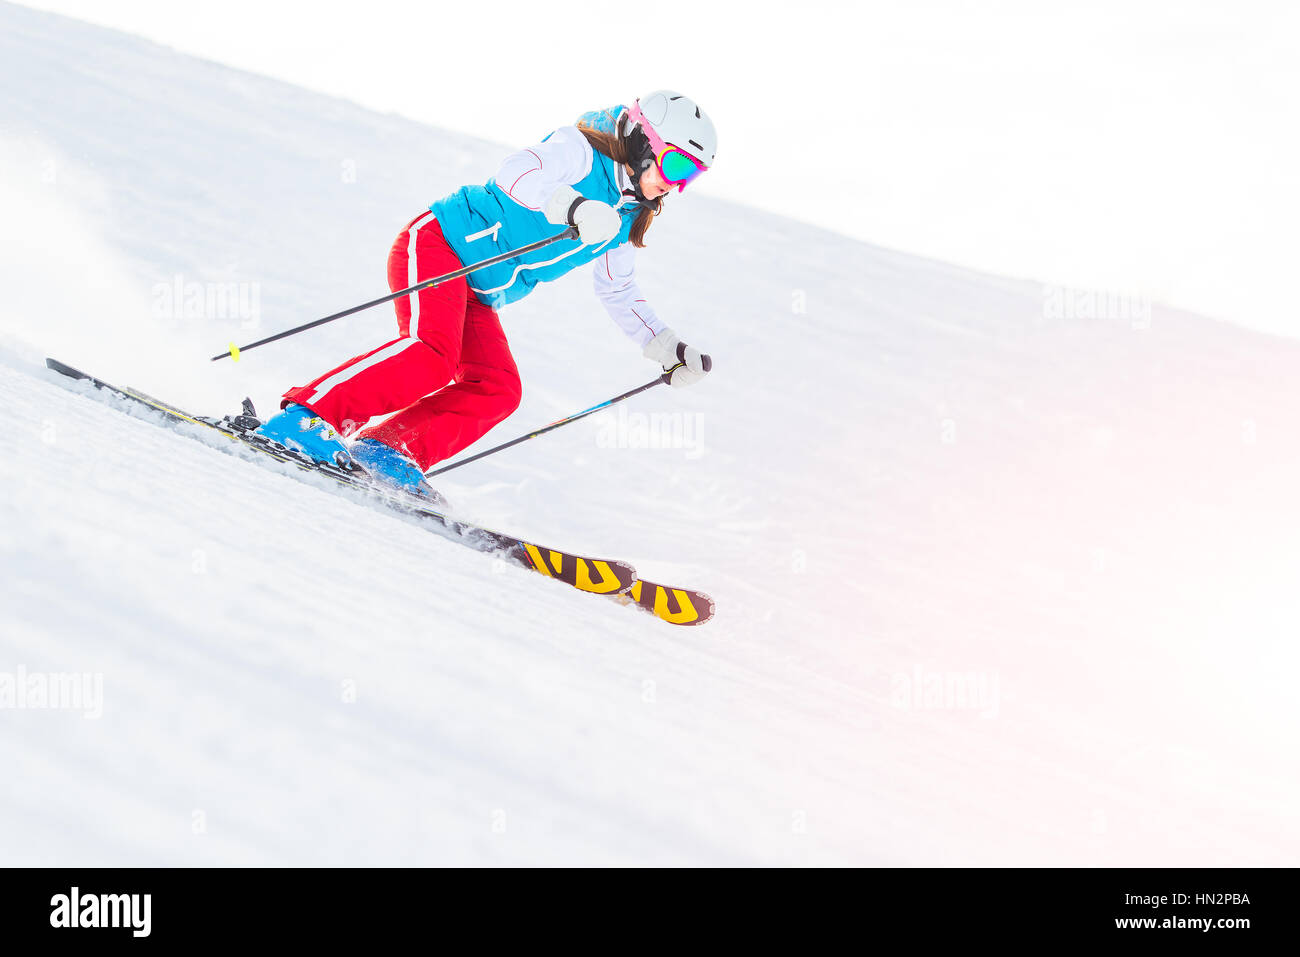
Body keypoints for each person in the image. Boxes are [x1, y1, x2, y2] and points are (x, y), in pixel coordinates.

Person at [255, 90, 717, 497]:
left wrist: (664, 345)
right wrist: (572, 205)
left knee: (498, 387)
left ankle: (390, 450)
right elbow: (515, 173)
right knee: (431, 354)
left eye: (690, 177)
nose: (674, 184)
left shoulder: (628, 214)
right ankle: (305, 418)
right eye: (675, 164)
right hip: (441, 244)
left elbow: (618, 288)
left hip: (476, 292)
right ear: (642, 141)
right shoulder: (579, 150)